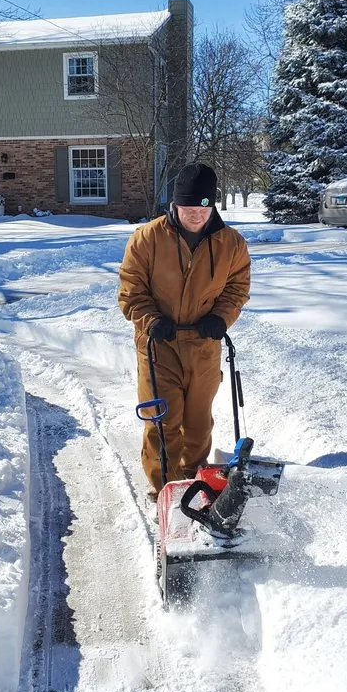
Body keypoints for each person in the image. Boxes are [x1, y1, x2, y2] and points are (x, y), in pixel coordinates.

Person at [118, 163, 251, 497]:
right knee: (163, 419)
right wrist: (151, 320)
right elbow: (131, 291)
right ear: (174, 205)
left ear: (213, 205)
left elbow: (237, 288)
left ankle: (193, 486)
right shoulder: (147, 238)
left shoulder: (231, 244)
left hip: (204, 343)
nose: (195, 215)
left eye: (202, 208)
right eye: (188, 208)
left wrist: (221, 317)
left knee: (197, 423)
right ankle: (164, 489)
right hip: (158, 342)